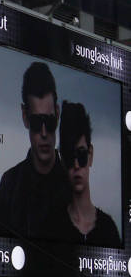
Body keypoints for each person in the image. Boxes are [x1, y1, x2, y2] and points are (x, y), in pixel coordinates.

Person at [0, 62, 69, 240]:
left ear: (57, 115)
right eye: (36, 123)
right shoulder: (9, 184)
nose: (44, 133)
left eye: (49, 123)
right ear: (25, 117)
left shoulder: (72, 185)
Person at [45, 102, 122, 247]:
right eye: (69, 156)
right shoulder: (52, 227)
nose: (76, 166)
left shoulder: (108, 229)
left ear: (90, 154)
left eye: (81, 155)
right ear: (62, 159)